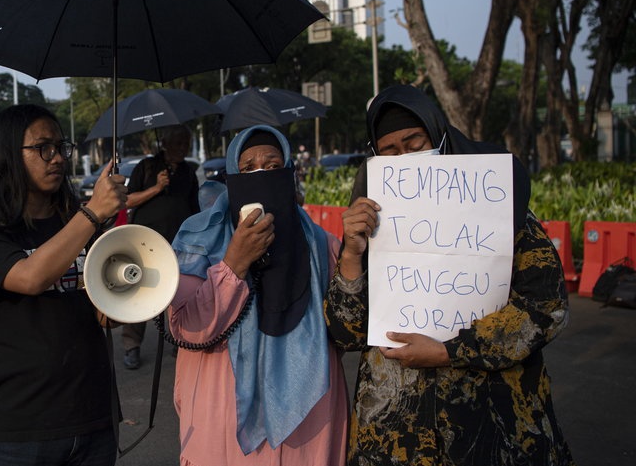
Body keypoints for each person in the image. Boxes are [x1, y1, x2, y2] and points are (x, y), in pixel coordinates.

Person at [325, 84, 574, 465]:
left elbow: (546, 306)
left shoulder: (500, 208)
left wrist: (450, 351)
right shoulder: (368, 219)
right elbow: (347, 332)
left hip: (494, 427)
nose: (405, 158)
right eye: (390, 151)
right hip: (396, 438)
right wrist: (352, 255)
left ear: (439, 135)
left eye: (415, 142)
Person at [0, 104, 127, 466]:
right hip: (23, 426)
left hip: (93, 415)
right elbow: (31, 277)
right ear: (7, 154)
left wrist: (117, 305)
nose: (57, 159)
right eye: (42, 148)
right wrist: (93, 213)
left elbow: (106, 312)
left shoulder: (76, 220)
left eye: (61, 147)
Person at [168, 125, 349, 465]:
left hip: (310, 427)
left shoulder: (322, 245)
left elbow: (349, 330)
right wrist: (234, 263)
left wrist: (354, 258)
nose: (261, 175)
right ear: (233, 177)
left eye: (272, 165)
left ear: (289, 173)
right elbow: (188, 329)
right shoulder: (198, 240)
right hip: (222, 419)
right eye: (248, 168)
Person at [120, 124, 200, 369]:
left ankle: (180, 340)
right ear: (164, 143)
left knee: (180, 290)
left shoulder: (189, 171)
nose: (181, 149)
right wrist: (155, 188)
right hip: (145, 241)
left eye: (185, 144)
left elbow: (194, 208)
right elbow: (126, 200)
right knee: (138, 290)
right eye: (177, 143)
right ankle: (131, 345)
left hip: (178, 242)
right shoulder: (146, 167)